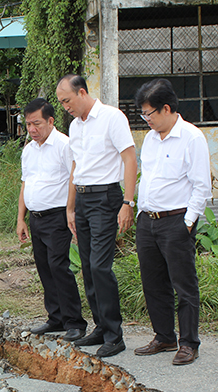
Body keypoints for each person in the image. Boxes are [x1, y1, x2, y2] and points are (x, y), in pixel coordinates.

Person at [55, 74, 138, 357]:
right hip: (83, 199)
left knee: (101, 266)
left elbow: (129, 158)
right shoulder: (76, 127)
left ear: (81, 92)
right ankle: (101, 327)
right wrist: (70, 207)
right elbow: (76, 167)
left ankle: (115, 334)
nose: (64, 106)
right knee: (88, 267)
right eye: (61, 102)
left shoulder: (112, 118)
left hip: (106, 198)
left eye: (66, 100)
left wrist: (128, 201)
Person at [132, 79, 212, 365]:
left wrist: (187, 223)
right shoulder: (152, 138)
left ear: (166, 109)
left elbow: (202, 186)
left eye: (149, 114)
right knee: (153, 282)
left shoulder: (191, 137)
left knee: (184, 283)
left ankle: (189, 342)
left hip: (176, 221)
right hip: (148, 220)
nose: (146, 120)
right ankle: (164, 336)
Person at [17, 98, 88, 342]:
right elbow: (25, 184)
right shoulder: (28, 150)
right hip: (36, 218)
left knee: (59, 266)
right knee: (44, 267)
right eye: (28, 124)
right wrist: (21, 218)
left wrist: (71, 210)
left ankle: (75, 322)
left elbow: (73, 179)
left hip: (58, 216)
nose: (32, 129)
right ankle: (55, 317)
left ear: (50, 121)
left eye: (36, 123)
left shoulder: (64, 145)